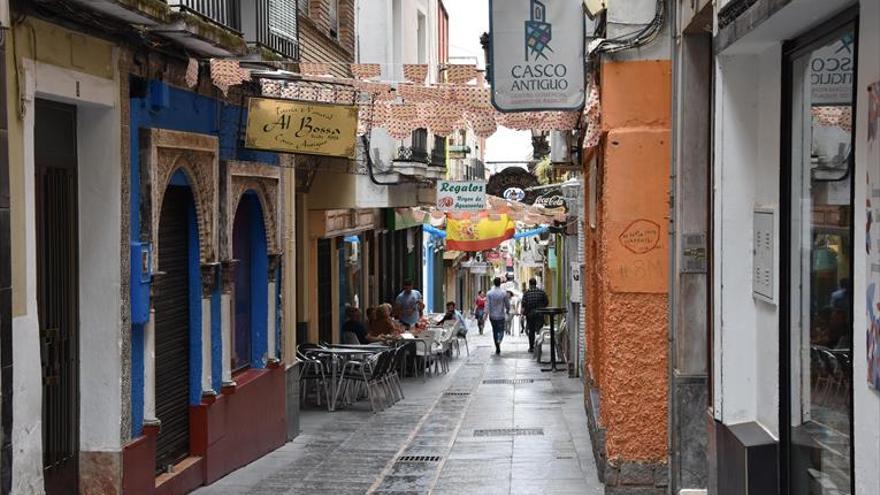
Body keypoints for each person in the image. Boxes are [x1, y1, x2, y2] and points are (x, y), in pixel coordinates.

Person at [521, 278, 549, 353]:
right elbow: (546, 302)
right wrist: (541, 308)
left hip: (530, 315)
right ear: (536, 283)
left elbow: (523, 304)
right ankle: (539, 347)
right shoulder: (541, 292)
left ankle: (531, 347)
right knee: (539, 331)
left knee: (531, 332)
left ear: (530, 284)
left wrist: (524, 313)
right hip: (539, 315)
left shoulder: (526, 293)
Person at [486, 277, 511, 355]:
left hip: (492, 316)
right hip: (501, 315)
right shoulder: (503, 293)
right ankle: (499, 340)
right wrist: (507, 309)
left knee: (495, 331)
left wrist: (486, 313)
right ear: (500, 283)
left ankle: (497, 347)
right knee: (501, 330)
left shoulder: (489, 293)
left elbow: (487, 305)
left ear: (494, 283)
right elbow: (507, 303)